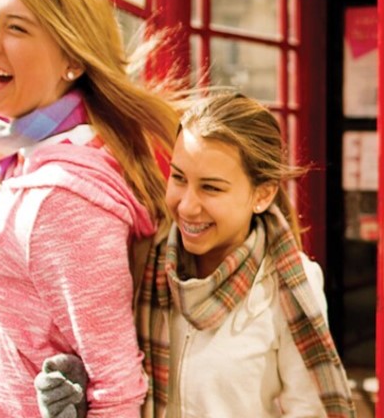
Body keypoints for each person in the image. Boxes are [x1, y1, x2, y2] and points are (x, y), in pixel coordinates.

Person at [0, 0, 180, 417]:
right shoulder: (23, 158)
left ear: (71, 60)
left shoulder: (62, 198)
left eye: (16, 28)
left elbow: (118, 384)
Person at [38, 92, 356, 418]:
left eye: (211, 188)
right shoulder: (140, 259)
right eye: (178, 178)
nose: (187, 206)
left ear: (262, 194)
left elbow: (310, 410)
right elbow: (110, 372)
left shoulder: (289, 284)